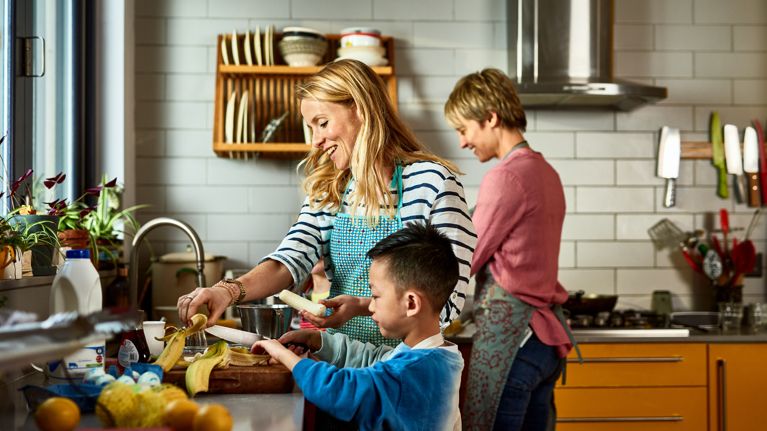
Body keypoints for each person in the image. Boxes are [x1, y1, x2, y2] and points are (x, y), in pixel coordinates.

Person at [178, 59, 476, 348]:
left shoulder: (433, 182)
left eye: (322, 123)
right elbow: (289, 260)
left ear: (360, 110)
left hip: (406, 370)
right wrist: (226, 292)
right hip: (341, 365)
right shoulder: (331, 189)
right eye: (311, 128)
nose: (315, 141)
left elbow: (447, 300)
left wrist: (366, 312)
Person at [443, 68, 578, 431]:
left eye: (463, 129)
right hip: (544, 343)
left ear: (490, 118)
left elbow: (465, 258)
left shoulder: (506, 177)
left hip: (514, 340)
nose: (462, 142)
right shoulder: (546, 172)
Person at [253, 222, 464, 431]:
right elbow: (371, 358)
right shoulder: (436, 356)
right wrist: (316, 340)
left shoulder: (412, 370)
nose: (370, 306)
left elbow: (340, 389)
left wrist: (284, 355)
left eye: (375, 296)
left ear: (411, 304)